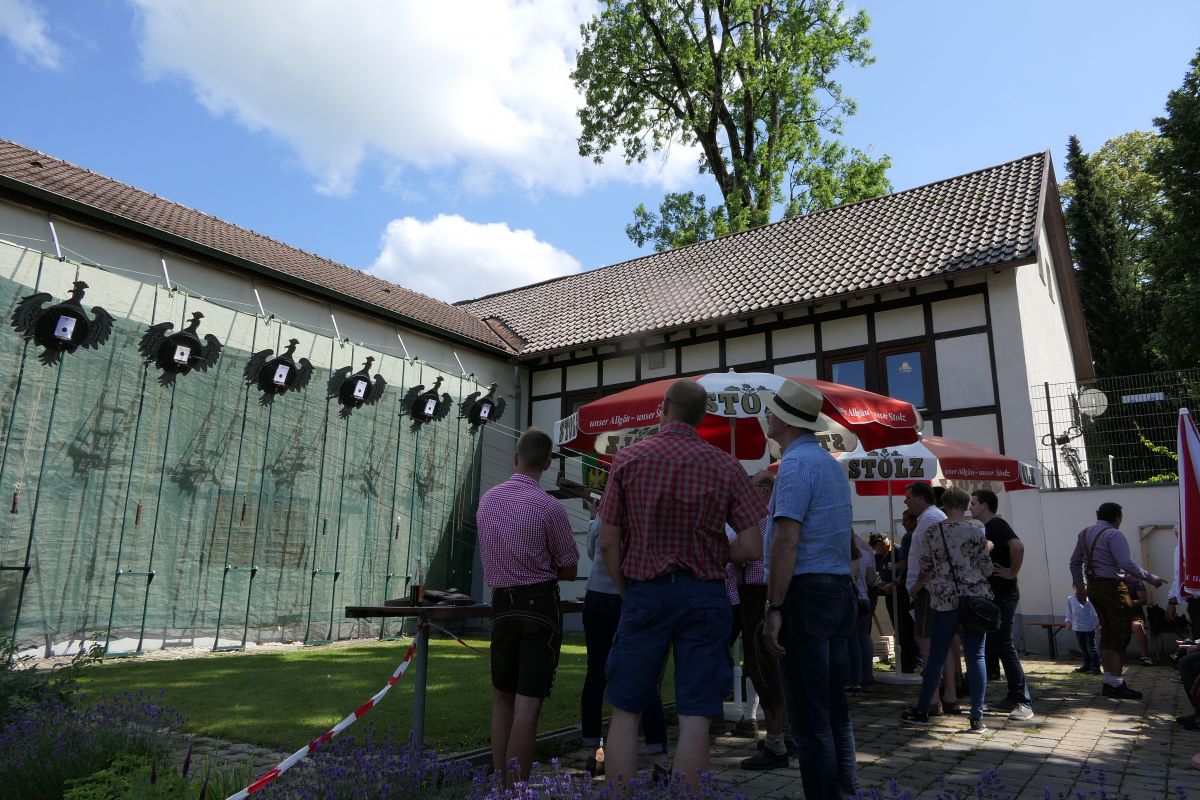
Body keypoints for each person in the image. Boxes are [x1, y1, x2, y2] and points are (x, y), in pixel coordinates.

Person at [598, 380, 765, 795]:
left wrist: (627, 589)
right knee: (695, 714)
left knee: (626, 709)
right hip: (705, 595)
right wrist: (711, 551)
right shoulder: (726, 465)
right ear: (702, 416)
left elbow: (608, 542)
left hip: (646, 590)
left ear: (664, 407)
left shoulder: (628, 459)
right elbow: (751, 546)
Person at [762, 379, 858, 800]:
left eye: (772, 410)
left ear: (784, 420)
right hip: (837, 590)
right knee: (835, 712)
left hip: (806, 594)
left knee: (809, 717)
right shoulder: (829, 465)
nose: (766, 415)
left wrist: (774, 607)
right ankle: (845, 791)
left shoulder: (796, 465)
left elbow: (787, 540)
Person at [477, 427, 580, 787]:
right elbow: (570, 567)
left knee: (502, 698)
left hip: (501, 604)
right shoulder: (549, 507)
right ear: (548, 464)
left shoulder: (488, 500)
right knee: (528, 705)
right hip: (539, 605)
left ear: (515, 458)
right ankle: (517, 789)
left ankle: (500, 785)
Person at [579, 500, 668, 777]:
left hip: (597, 595)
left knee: (596, 673)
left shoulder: (603, 515)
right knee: (645, 675)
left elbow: (594, 551)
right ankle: (660, 756)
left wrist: (594, 518)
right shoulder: (645, 512)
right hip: (630, 593)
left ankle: (594, 751)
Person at [900, 486, 994, 733]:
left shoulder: (933, 531)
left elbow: (925, 566)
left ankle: (923, 710)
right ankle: (977, 717)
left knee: (936, 657)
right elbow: (987, 569)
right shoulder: (976, 531)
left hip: (943, 599)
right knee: (976, 656)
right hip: (974, 600)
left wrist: (920, 585)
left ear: (946, 504)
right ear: (964, 505)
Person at [1069, 502, 1165, 700]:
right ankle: (1116, 683)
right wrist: (1151, 578)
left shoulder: (1084, 533)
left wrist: (1080, 585)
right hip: (1113, 586)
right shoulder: (1114, 534)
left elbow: (1075, 562)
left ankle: (1109, 681)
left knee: (1107, 633)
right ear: (1117, 518)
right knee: (1120, 635)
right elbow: (1126, 564)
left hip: (1093, 586)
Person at [736, 469, 794, 771]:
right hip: (770, 593)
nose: (744, 492)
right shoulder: (778, 518)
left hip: (758, 594)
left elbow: (746, 552)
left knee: (762, 665)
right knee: (775, 665)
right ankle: (785, 733)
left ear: (763, 492)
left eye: (750, 486)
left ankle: (775, 741)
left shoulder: (760, 519)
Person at [970, 489, 1033, 721]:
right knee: (998, 644)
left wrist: (1012, 572)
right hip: (998, 595)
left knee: (1005, 645)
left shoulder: (997, 525)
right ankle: (1013, 695)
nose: (970, 507)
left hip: (1004, 595)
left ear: (984, 506)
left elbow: (1018, 547)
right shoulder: (989, 528)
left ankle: (1023, 700)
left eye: (974, 503)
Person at [905, 483, 956, 710]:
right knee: (940, 644)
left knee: (926, 643)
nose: (906, 501)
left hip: (927, 590)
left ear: (920, 498)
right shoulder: (932, 517)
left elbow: (933, 556)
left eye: (908, 497)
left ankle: (933, 699)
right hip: (932, 588)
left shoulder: (930, 518)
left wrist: (918, 584)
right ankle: (949, 696)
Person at [845, 534, 878, 696]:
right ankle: (868, 678)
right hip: (864, 600)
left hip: (849, 601)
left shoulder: (843, 555)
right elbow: (871, 580)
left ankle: (854, 680)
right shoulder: (866, 554)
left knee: (852, 641)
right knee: (865, 639)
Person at [1065, 586, 1101, 674]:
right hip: (1077, 627)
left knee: (1092, 648)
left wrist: (1097, 623)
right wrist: (1068, 622)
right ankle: (1086, 665)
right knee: (1083, 648)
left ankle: (1096, 667)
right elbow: (1069, 612)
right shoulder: (1070, 599)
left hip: (1089, 627)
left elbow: (1095, 612)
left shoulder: (1089, 598)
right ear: (1074, 587)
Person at [1125, 576, 1154, 665]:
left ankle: (1145, 656)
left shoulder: (1135, 581)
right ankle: (1115, 656)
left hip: (1135, 614)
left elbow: (1144, 600)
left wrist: (1128, 603)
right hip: (1117, 614)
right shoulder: (1109, 580)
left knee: (1137, 626)